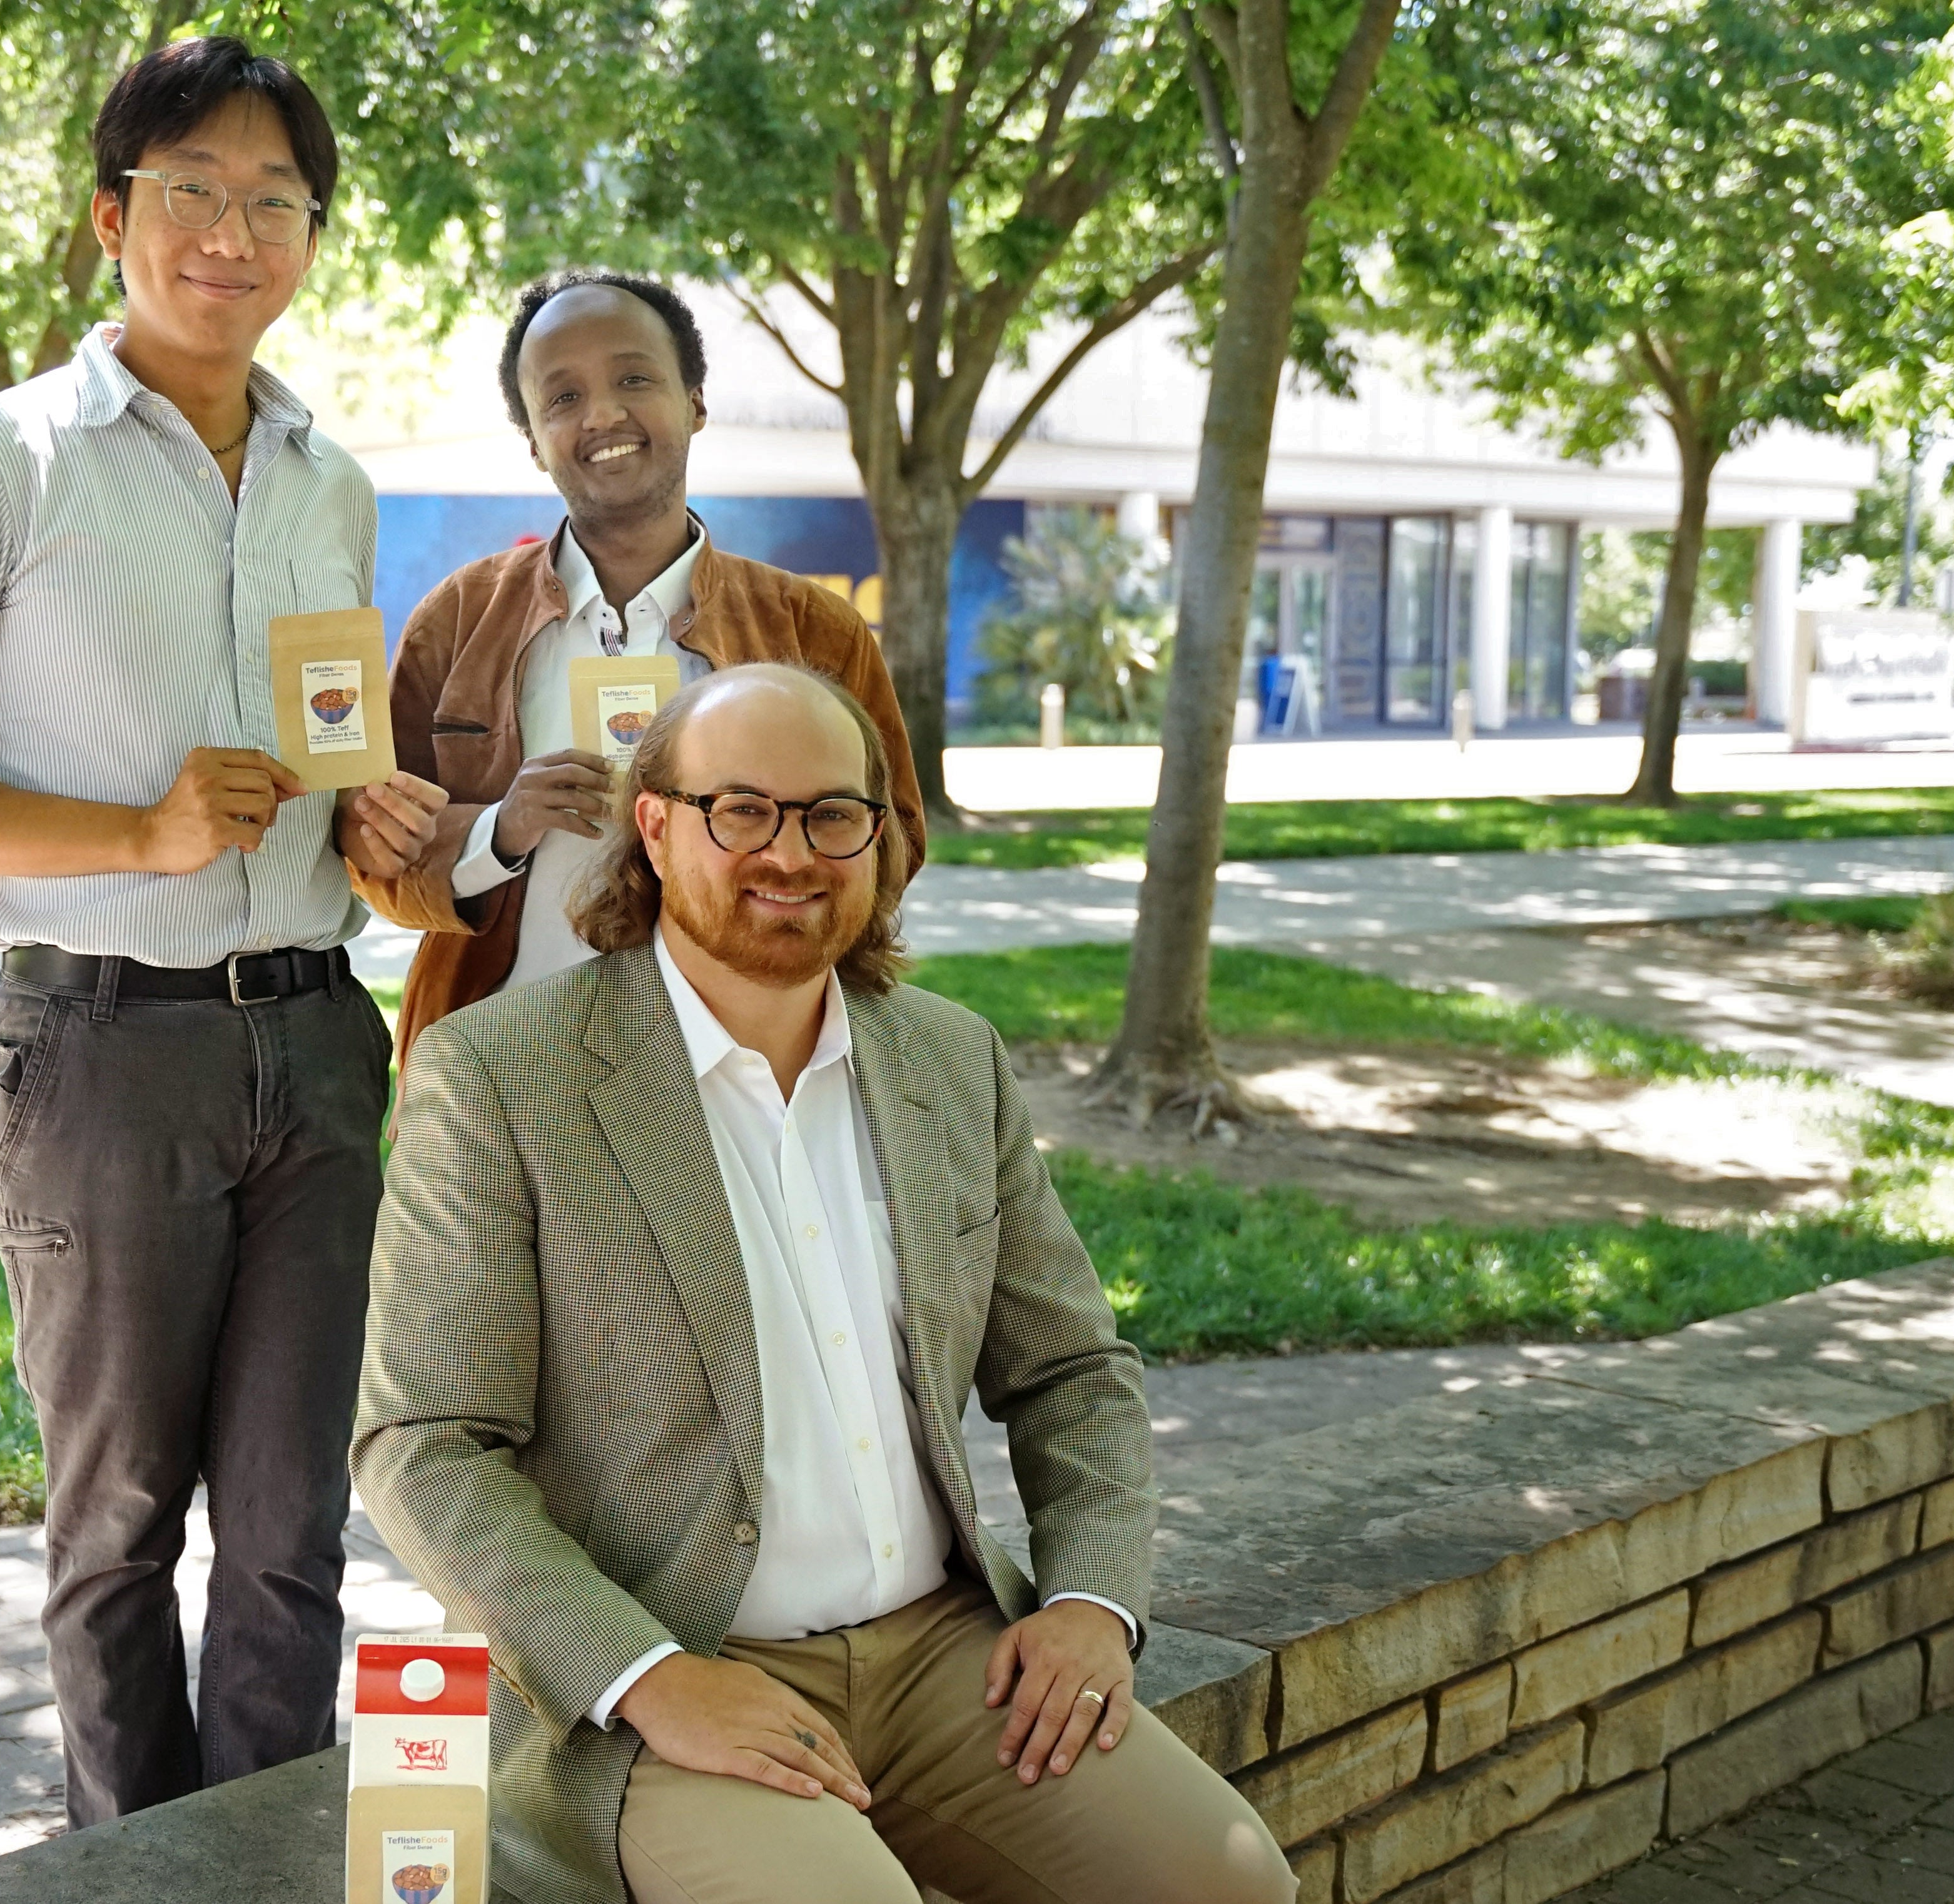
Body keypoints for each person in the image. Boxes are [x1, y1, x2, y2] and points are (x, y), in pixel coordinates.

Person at [354, 664, 1295, 1904]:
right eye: (737, 809)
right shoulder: (502, 1077)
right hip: (673, 1664)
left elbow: (1071, 1371)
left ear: (876, 833)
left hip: (948, 1652)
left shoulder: (952, 1059)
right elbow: (424, 1445)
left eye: (829, 814)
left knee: (1227, 1883)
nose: (788, 852)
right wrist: (647, 1677)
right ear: (653, 822)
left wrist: (1087, 1599)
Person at [0, 38, 445, 1827]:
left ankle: (259, 1859)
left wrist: (370, 807)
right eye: (192, 191)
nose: (232, 232)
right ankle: (131, 1871)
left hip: (318, 1041)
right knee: (114, 1530)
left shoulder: (330, 479)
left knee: (294, 1532)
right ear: (112, 216)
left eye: (274, 202)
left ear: (312, 236)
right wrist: (140, 831)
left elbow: (317, 745)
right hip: (98, 1049)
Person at [354, 270, 924, 1061]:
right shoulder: (456, 620)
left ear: (694, 400)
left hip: (740, 1064)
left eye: (633, 378)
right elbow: (378, 852)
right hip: (503, 1066)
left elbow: (893, 843)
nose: (604, 414)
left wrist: (757, 833)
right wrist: (498, 829)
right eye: (562, 397)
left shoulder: (810, 630)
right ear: (531, 439)